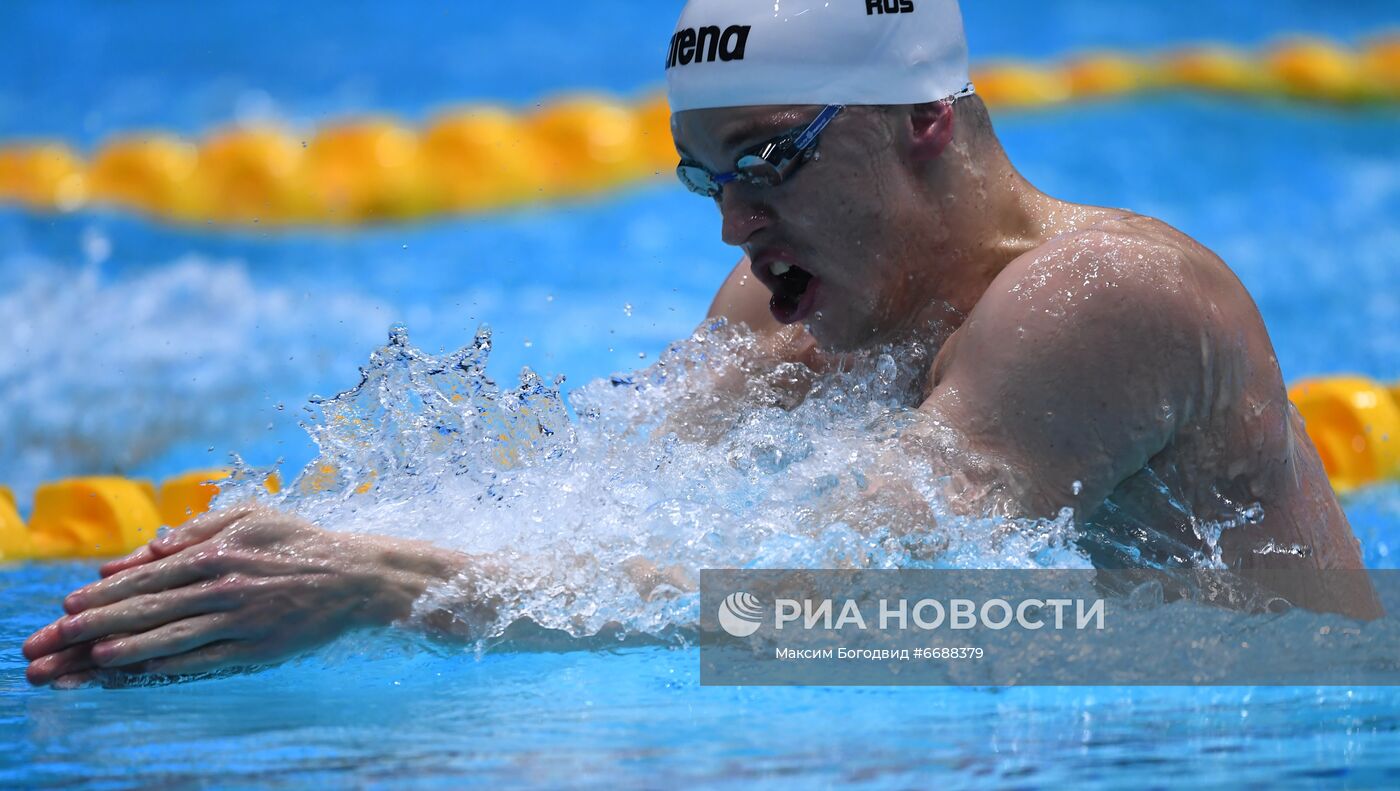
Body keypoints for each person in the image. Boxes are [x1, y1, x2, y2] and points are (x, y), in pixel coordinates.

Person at [23, 0, 1378, 687]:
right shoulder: (790, 302)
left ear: (922, 119)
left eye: (768, 158)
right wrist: (273, 566)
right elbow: (583, 501)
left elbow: (866, 590)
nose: (735, 225)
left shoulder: (1111, 298)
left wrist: (395, 583)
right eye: (704, 175)